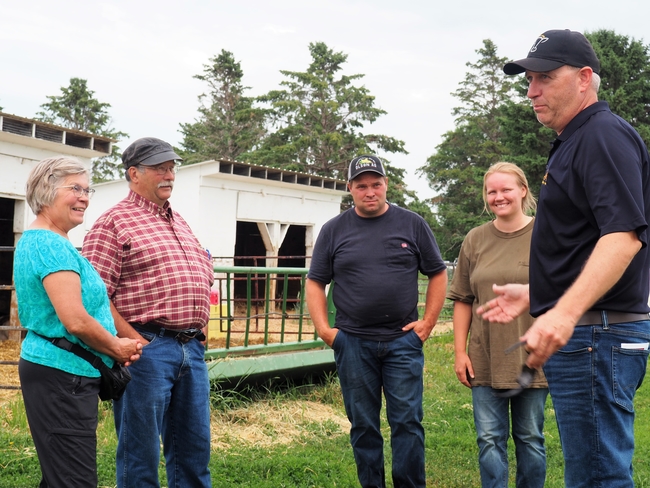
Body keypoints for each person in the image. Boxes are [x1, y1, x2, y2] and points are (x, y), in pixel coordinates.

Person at [477, 30, 650, 487]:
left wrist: (563, 313)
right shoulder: (578, 138)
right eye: (529, 79)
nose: (532, 91)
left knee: (597, 477)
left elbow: (624, 237)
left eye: (546, 78)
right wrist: (541, 293)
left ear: (584, 78)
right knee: (591, 470)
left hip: (597, 334)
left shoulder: (601, 136)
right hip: (592, 330)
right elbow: (589, 244)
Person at [306, 154, 448, 488]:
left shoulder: (412, 223)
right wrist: (326, 331)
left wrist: (427, 324)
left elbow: (438, 273)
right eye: (362, 186)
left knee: (408, 422)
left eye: (376, 184)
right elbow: (315, 281)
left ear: (387, 185)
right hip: (353, 342)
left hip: (402, 341)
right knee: (363, 425)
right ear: (350, 189)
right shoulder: (334, 230)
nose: (370, 191)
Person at [82, 137, 214, 488]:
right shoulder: (113, 223)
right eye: (159, 168)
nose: (169, 174)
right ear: (134, 174)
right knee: (140, 453)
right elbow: (96, 296)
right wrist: (132, 339)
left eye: (171, 167)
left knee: (195, 450)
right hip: (146, 348)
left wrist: (200, 328)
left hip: (191, 348)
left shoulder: (179, 220)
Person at [14, 157, 142, 487]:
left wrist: (127, 342)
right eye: (75, 188)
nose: (84, 197)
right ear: (45, 191)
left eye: (88, 189)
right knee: (74, 481)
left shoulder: (50, 241)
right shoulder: (50, 245)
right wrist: (116, 346)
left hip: (63, 372)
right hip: (62, 375)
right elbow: (75, 320)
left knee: (60, 477)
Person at [448, 162, 548, 488]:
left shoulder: (546, 234)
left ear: (523, 190)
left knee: (530, 437)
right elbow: (463, 298)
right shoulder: (475, 240)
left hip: (531, 354)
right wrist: (460, 352)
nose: (499, 197)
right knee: (489, 438)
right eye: (492, 191)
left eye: (506, 189)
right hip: (484, 356)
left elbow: (564, 290)